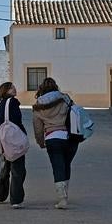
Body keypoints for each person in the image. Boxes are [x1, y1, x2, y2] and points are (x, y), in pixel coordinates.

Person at [32, 77, 77, 209]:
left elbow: (38, 127)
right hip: (69, 137)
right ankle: (65, 192)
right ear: (55, 87)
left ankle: (62, 198)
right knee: (66, 164)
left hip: (52, 138)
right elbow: (75, 113)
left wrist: (40, 142)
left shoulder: (38, 105)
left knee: (57, 166)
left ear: (42, 89)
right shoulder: (65, 98)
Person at [0, 82, 27, 209]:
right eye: (11, 87)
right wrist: (23, 136)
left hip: (3, 141)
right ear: (6, 90)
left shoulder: (1, 104)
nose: (15, 88)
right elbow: (17, 121)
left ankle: (1, 195)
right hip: (13, 142)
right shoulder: (12, 102)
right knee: (18, 170)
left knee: (6, 168)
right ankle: (16, 199)